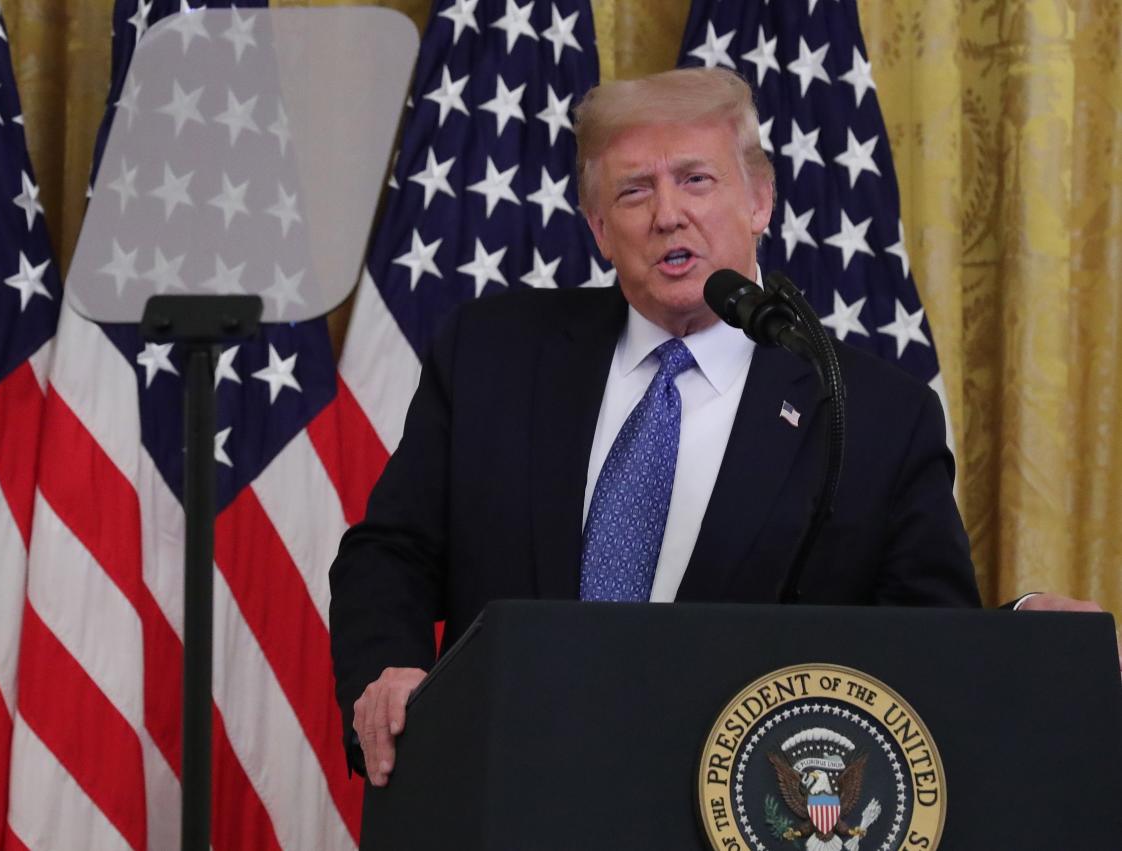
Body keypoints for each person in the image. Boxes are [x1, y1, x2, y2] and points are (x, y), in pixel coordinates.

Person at [328, 67, 1112, 789]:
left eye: (696, 179)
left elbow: (921, 648)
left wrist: (1021, 637)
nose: (669, 213)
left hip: (735, 810)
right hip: (508, 790)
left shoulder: (872, 412)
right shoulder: (492, 354)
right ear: (599, 227)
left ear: (759, 201)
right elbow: (389, 552)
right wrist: (389, 673)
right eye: (634, 191)